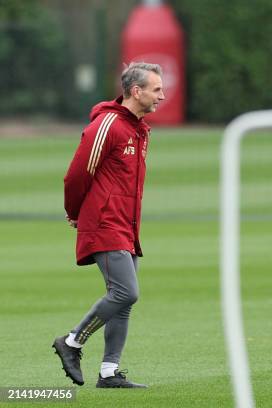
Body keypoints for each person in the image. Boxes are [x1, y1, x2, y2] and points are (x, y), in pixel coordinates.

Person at [52, 62, 164, 388]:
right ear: (136, 91)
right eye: (157, 89)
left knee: (123, 302)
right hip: (104, 222)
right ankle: (72, 342)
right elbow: (76, 175)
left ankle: (108, 373)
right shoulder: (109, 124)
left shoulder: (139, 129)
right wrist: (74, 212)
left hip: (125, 224)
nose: (163, 95)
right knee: (126, 292)